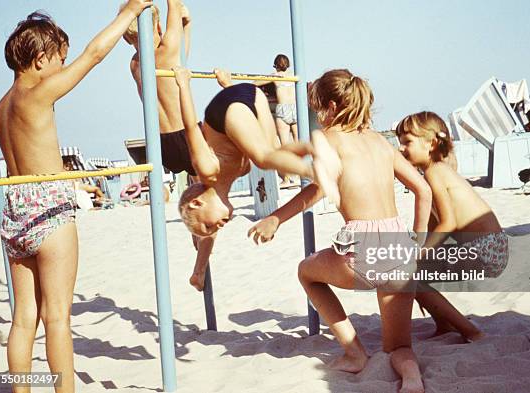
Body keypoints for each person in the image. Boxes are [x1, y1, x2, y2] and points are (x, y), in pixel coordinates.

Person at [0, 3, 152, 392]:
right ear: (40, 58)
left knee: (23, 318)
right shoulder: (40, 92)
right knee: (59, 318)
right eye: (59, 60)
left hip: (14, 205)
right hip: (48, 206)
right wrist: (127, 14)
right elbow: (94, 55)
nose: (63, 67)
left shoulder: (2, 107)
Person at [248, 69, 432, 393]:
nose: (318, 117)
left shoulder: (331, 139)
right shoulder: (381, 142)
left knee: (307, 272)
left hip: (362, 249)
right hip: (399, 247)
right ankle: (412, 378)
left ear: (331, 108)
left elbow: (315, 191)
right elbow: (423, 190)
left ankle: (355, 352)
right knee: (399, 348)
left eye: (318, 109)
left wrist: (276, 218)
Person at [174, 66, 340, 291]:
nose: (216, 228)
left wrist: (183, 85)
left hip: (224, 109)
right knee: (274, 152)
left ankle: (316, 171)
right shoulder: (239, 171)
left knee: (263, 159)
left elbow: (190, 128)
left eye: (208, 226)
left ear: (197, 202)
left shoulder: (207, 169)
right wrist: (228, 85)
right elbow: (244, 131)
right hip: (251, 98)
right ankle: (313, 146)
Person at [396, 111, 508, 341]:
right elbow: (432, 226)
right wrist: (416, 247)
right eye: (399, 143)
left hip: (485, 250)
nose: (401, 148)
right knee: (410, 271)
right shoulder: (434, 173)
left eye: (407, 142)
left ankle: (471, 331)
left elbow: (448, 223)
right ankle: (444, 325)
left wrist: (419, 254)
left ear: (432, 143)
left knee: (409, 277)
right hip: (491, 247)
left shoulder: (436, 173)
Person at [122, 0, 193, 176]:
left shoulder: (135, 64)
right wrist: (185, 20)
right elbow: (174, 5)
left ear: (125, 38)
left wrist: (187, 25)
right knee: (208, 187)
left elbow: (179, 58)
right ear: (158, 25)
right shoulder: (168, 50)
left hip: (160, 142)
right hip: (186, 133)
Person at [254, 54, 299, 188]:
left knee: (284, 147)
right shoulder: (294, 75)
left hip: (283, 108)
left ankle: (287, 178)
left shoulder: (274, 76)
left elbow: (254, 83)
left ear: (275, 65)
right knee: (298, 143)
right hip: (295, 108)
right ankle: (301, 175)